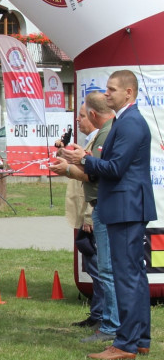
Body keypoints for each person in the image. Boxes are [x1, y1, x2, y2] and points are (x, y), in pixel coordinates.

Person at [59, 70, 156, 360]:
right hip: (126, 206)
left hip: (125, 208)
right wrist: (84, 158)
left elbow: (115, 169)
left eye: (112, 90)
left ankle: (125, 344)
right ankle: (139, 339)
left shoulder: (130, 123)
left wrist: (84, 160)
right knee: (134, 277)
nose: (106, 94)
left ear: (128, 92)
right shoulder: (124, 121)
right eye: (106, 89)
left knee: (127, 276)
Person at [50, 94, 117, 343]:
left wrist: (68, 168)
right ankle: (102, 317)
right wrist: (69, 157)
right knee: (102, 267)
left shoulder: (105, 134)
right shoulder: (99, 136)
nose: (77, 120)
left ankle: (108, 322)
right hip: (96, 208)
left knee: (104, 269)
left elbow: (97, 175)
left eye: (80, 115)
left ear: (92, 115)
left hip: (99, 207)